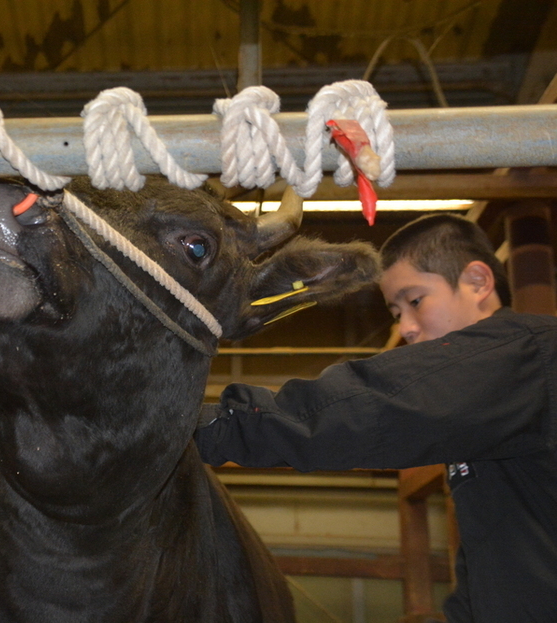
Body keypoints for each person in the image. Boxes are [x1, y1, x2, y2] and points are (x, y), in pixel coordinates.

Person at [196, 213, 557, 623]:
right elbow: (495, 564)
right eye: (395, 311)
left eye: (415, 301)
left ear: (477, 282)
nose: (406, 328)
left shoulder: (528, 355)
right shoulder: (492, 416)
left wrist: (211, 425)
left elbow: (377, 403)